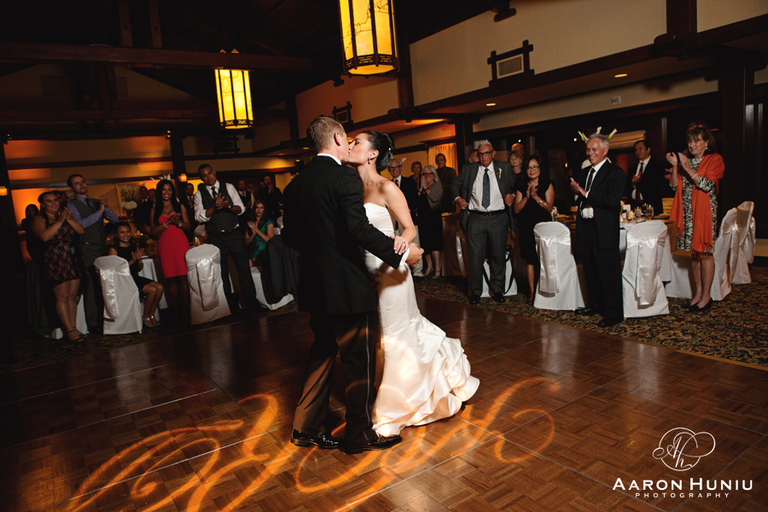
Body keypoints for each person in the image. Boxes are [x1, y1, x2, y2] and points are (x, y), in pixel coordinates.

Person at [281, 115, 422, 454]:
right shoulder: (343, 176)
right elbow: (357, 229)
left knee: (322, 353)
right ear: (337, 137)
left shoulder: (295, 185)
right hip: (346, 287)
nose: (350, 145)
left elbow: (291, 237)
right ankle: (358, 435)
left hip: (315, 287)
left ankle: (305, 428)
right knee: (360, 361)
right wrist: (400, 254)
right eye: (348, 139)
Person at [348, 129, 478, 438]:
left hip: (392, 274)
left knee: (396, 336)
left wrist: (400, 246)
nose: (350, 144)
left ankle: (395, 408)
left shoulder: (386, 188)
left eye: (356, 142)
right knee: (378, 337)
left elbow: (409, 229)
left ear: (371, 154)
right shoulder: (350, 188)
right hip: (363, 275)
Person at [666, 126, 725, 312]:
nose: (692, 145)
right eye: (690, 141)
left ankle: (707, 296)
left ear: (706, 143)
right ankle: (698, 294)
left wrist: (687, 167)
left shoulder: (715, 159)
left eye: (697, 141)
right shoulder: (686, 162)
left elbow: (707, 185)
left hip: (705, 212)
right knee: (695, 254)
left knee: (705, 253)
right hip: (688, 212)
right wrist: (676, 166)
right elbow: (675, 187)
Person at [570, 134, 625, 327]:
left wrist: (586, 194)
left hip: (604, 230)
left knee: (608, 272)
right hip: (586, 229)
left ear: (605, 151)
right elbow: (580, 200)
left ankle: (613, 313)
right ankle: (594, 304)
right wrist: (577, 194)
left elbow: (612, 202)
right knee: (591, 270)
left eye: (594, 150)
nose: (590, 153)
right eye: (588, 150)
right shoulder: (584, 173)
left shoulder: (615, 173)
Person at [453, 140, 516, 304]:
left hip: (498, 218)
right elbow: (454, 184)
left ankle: (497, 290)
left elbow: (516, 184)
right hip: (476, 218)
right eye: (481, 154)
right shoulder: (469, 169)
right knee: (475, 257)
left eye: (487, 153)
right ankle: (475, 291)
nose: (484, 157)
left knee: (498, 255)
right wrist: (458, 198)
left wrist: (513, 195)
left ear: (493, 154)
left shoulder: (504, 167)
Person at [194, 164, 263, 313]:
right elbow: (198, 216)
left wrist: (227, 206)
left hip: (234, 235)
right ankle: (229, 309)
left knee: (244, 270)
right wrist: (213, 207)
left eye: (210, 173)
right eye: (205, 175)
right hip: (215, 238)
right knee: (222, 274)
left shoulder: (229, 187)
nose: (209, 177)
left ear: (214, 172)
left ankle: (252, 305)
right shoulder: (199, 194)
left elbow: (241, 209)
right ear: (201, 178)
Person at [67, 173, 119, 334]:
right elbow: (81, 225)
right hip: (87, 247)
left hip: (102, 246)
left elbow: (114, 220)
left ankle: (109, 319)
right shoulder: (71, 206)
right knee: (91, 284)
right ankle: (93, 323)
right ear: (72, 188)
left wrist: (106, 207)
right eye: (77, 183)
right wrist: (99, 212)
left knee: (106, 282)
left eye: (82, 182)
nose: (81, 185)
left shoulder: (97, 202)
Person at [31, 191, 85, 342]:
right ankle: (68, 329)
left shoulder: (65, 214)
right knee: (62, 296)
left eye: (55, 200)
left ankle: (73, 327)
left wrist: (67, 218)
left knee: (73, 295)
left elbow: (80, 230)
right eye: (49, 201)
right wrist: (60, 221)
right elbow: (44, 236)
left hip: (71, 257)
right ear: (42, 204)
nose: (54, 203)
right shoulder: (39, 219)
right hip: (55, 258)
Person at [514, 155, 555, 304]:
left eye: (534, 167)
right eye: (529, 167)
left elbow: (549, 207)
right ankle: (532, 293)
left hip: (543, 227)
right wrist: (526, 197)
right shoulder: (521, 185)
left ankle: (545, 291)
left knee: (544, 259)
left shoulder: (547, 185)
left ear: (540, 168)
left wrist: (536, 197)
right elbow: (517, 210)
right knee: (530, 260)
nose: (532, 170)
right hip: (526, 226)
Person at [109, 222, 164, 330]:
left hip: (134, 277)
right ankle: (145, 317)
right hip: (124, 280)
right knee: (152, 290)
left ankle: (151, 315)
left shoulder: (133, 246)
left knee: (160, 287)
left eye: (127, 231)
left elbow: (139, 268)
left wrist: (138, 261)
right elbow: (114, 271)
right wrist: (132, 261)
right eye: (122, 232)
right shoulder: (114, 249)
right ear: (116, 234)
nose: (126, 235)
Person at [150, 180, 191, 325]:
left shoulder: (179, 206)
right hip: (165, 245)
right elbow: (154, 232)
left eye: (169, 190)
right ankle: (176, 313)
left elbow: (188, 227)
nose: (166, 193)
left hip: (180, 243)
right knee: (171, 279)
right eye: (163, 190)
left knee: (182, 279)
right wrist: (168, 223)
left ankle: (186, 313)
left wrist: (178, 223)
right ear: (159, 192)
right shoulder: (154, 210)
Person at [627, 139, 667, 215]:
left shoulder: (658, 165)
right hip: (635, 207)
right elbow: (626, 186)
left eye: (640, 149)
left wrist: (639, 182)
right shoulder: (633, 167)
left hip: (651, 206)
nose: (638, 152)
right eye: (636, 150)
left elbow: (657, 185)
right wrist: (632, 183)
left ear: (648, 150)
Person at [418, 165, 444, 278]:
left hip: (434, 217)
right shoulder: (421, 186)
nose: (427, 176)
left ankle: (437, 268)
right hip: (423, 218)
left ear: (434, 174)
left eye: (429, 173)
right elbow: (417, 199)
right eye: (425, 173)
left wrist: (426, 188)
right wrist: (420, 188)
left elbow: (435, 198)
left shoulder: (437, 185)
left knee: (435, 243)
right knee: (425, 243)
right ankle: (429, 266)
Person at [388, 158, 418, 224]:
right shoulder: (387, 185)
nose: (394, 170)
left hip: (409, 219)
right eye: (391, 167)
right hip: (394, 221)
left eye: (396, 167)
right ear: (389, 170)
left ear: (401, 168)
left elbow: (415, 200)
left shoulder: (410, 182)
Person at [245, 199, 274, 266]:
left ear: (264, 209)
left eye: (261, 208)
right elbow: (246, 243)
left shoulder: (268, 222)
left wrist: (257, 230)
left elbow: (270, 241)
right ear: (254, 209)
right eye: (257, 207)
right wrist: (253, 235)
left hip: (264, 250)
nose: (259, 210)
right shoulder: (250, 223)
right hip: (252, 251)